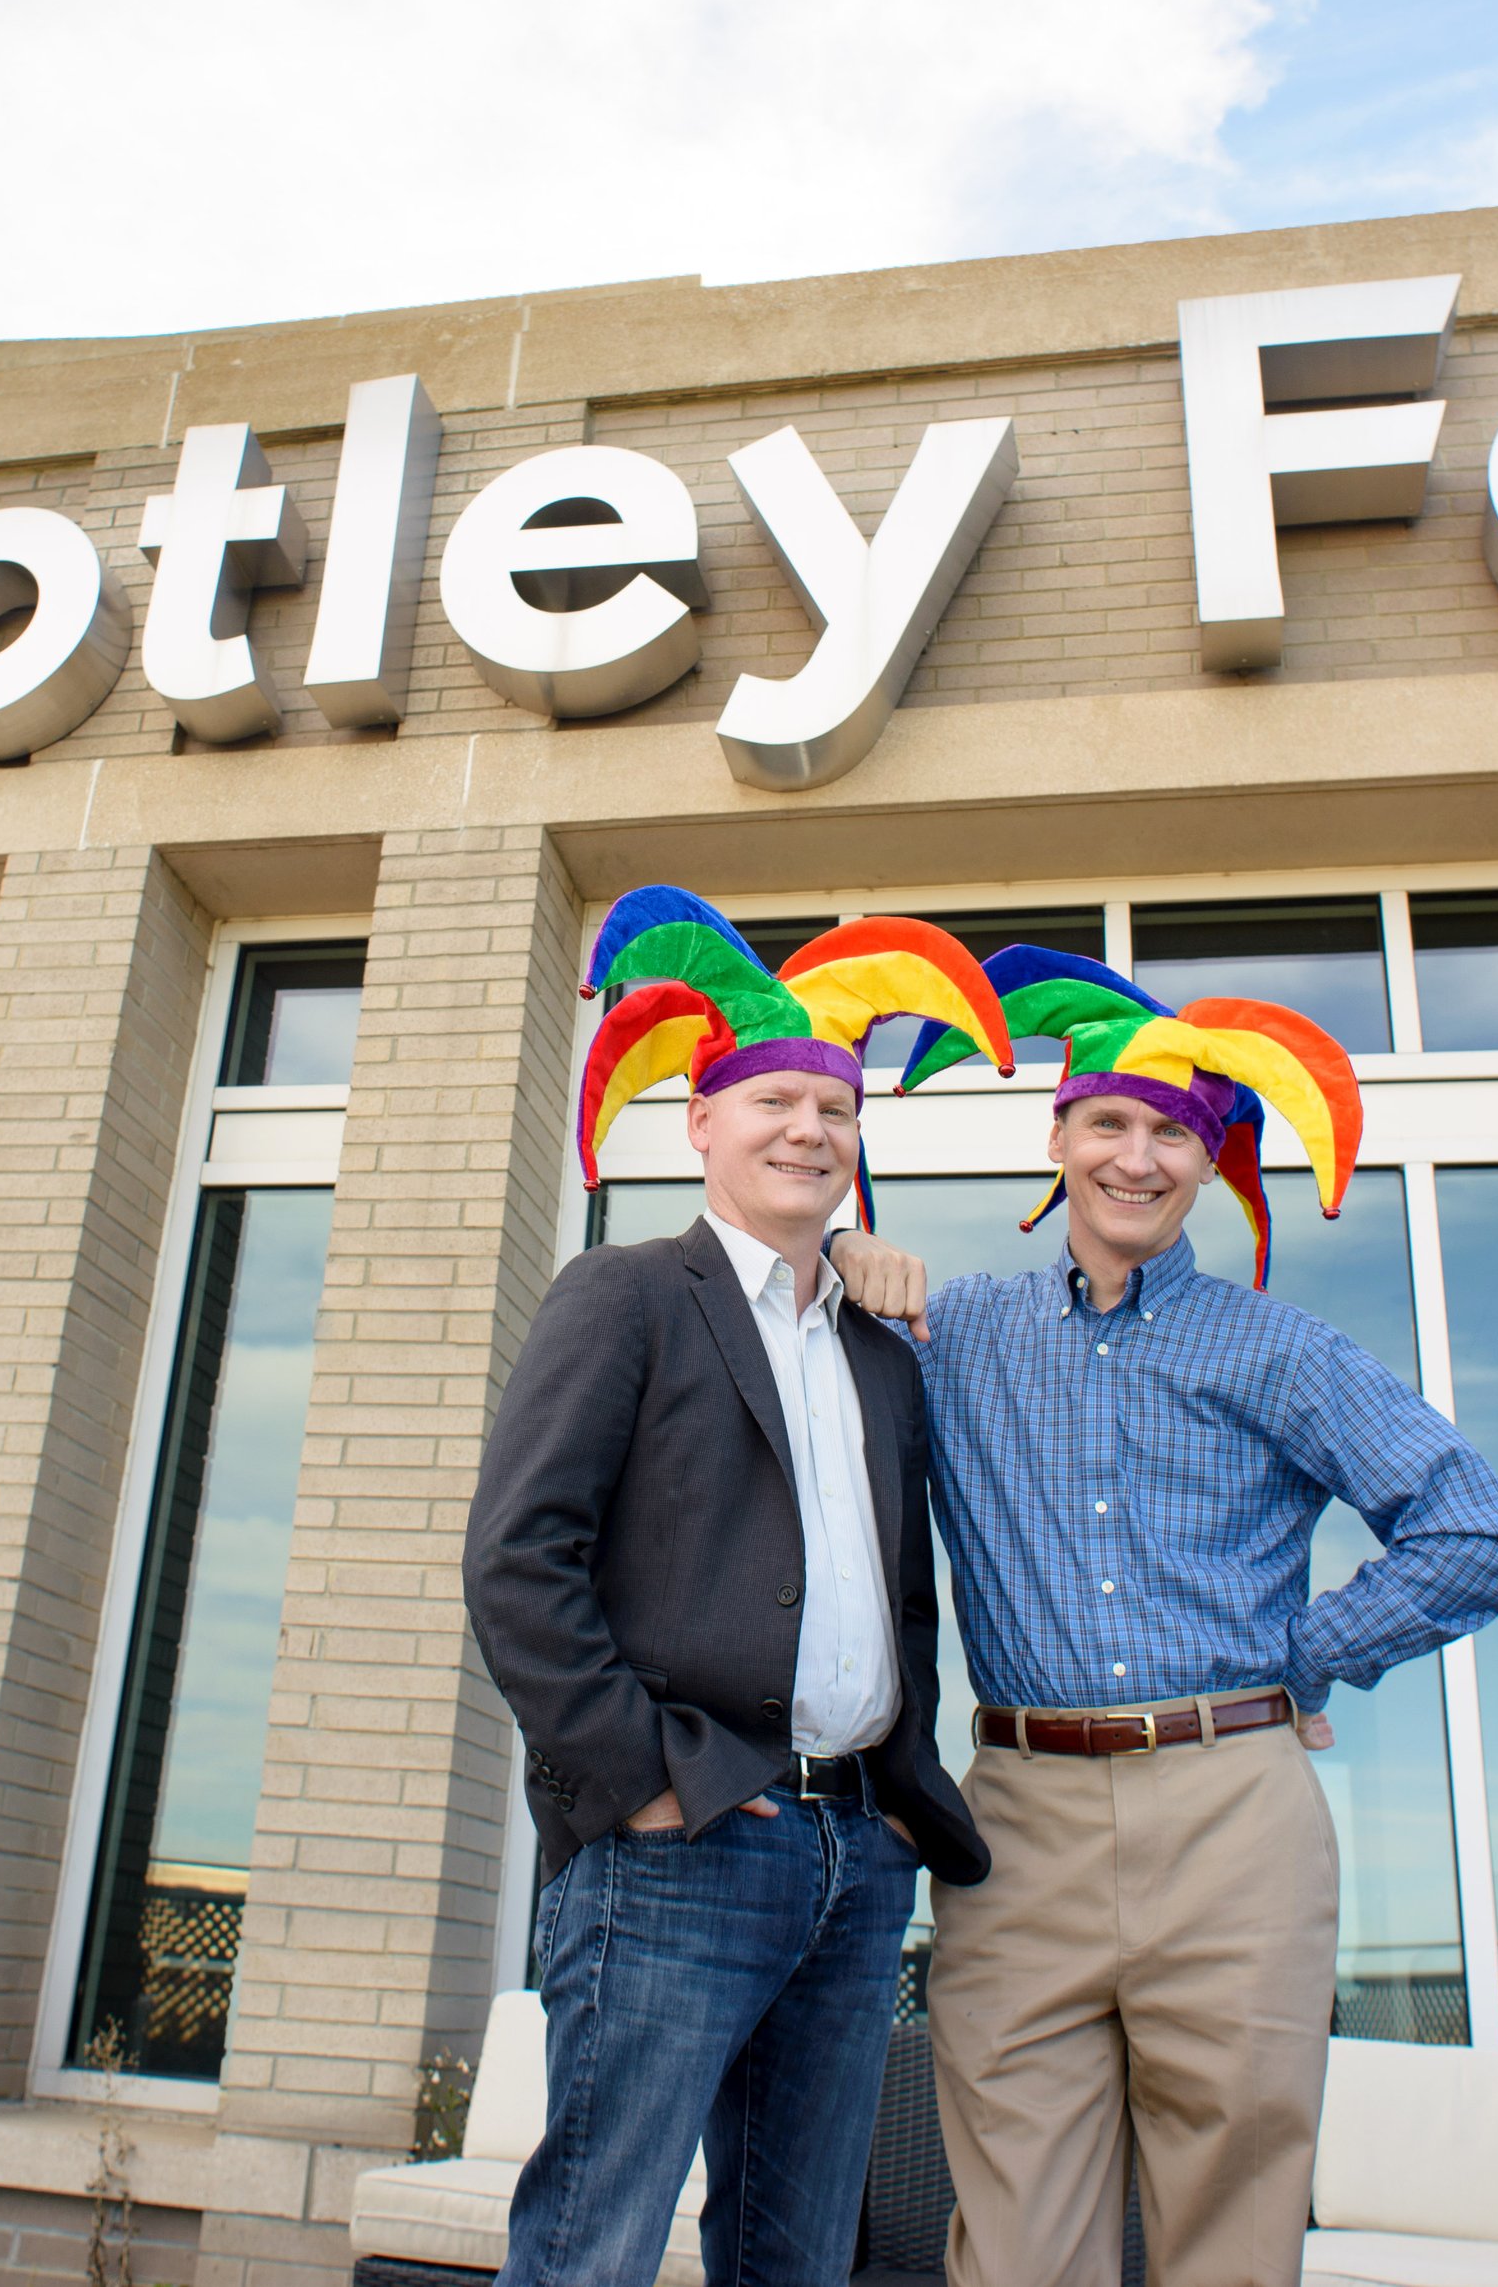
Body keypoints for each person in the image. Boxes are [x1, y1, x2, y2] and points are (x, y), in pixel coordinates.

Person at [829, 947, 1498, 2287]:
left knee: (1233, 2233)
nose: (1138, 1158)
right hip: (1020, 1823)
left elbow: (1480, 1533)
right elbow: (797, 1309)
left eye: (1174, 1133)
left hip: (1234, 1820)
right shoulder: (961, 1330)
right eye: (1110, 1122)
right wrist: (844, 1247)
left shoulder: (1277, 1348)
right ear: (1060, 1135)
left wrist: (1307, 1664)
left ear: (1211, 1164)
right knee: (1017, 2246)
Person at [466, 887, 1012, 2287]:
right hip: (682, 1844)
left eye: (834, 1111)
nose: (806, 1130)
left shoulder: (886, 1343)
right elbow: (520, 1561)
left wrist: (890, 1810)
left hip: (853, 1854)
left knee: (796, 2255)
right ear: (701, 1124)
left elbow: (893, 1590)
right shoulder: (625, 1294)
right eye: (772, 1100)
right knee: (593, 2242)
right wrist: (642, 1777)